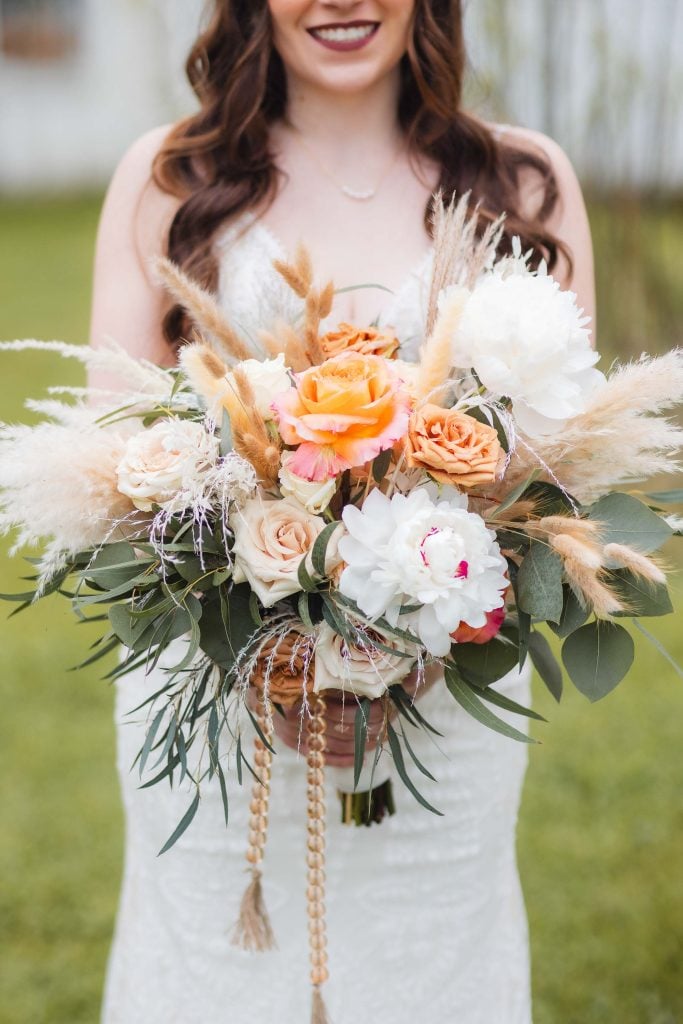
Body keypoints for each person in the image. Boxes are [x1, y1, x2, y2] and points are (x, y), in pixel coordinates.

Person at [90, 2, 596, 1022]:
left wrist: (407, 637)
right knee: (218, 967)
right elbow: (116, 464)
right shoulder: (172, 181)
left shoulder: (521, 183)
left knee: (428, 970)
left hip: (443, 710)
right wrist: (269, 637)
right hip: (215, 705)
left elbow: (561, 470)